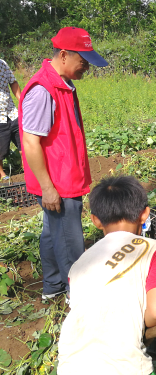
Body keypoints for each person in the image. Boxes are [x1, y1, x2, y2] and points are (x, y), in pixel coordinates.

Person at [57, 175, 156, 375]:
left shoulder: (79, 263)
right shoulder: (153, 249)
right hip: (120, 374)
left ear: (95, 220)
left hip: (70, 374)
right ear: (145, 214)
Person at [19, 27, 108, 301]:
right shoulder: (43, 90)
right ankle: (76, 297)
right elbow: (30, 142)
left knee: (52, 233)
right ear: (65, 55)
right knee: (70, 240)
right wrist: (48, 187)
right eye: (83, 61)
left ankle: (53, 287)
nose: (87, 68)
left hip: (63, 176)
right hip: (58, 181)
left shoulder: (62, 85)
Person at [0, 59, 21, 180]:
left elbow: (13, 82)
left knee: (24, 142)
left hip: (12, 112)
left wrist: (22, 101)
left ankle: (27, 168)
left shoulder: (2, 64)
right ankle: (2, 174)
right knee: (1, 149)